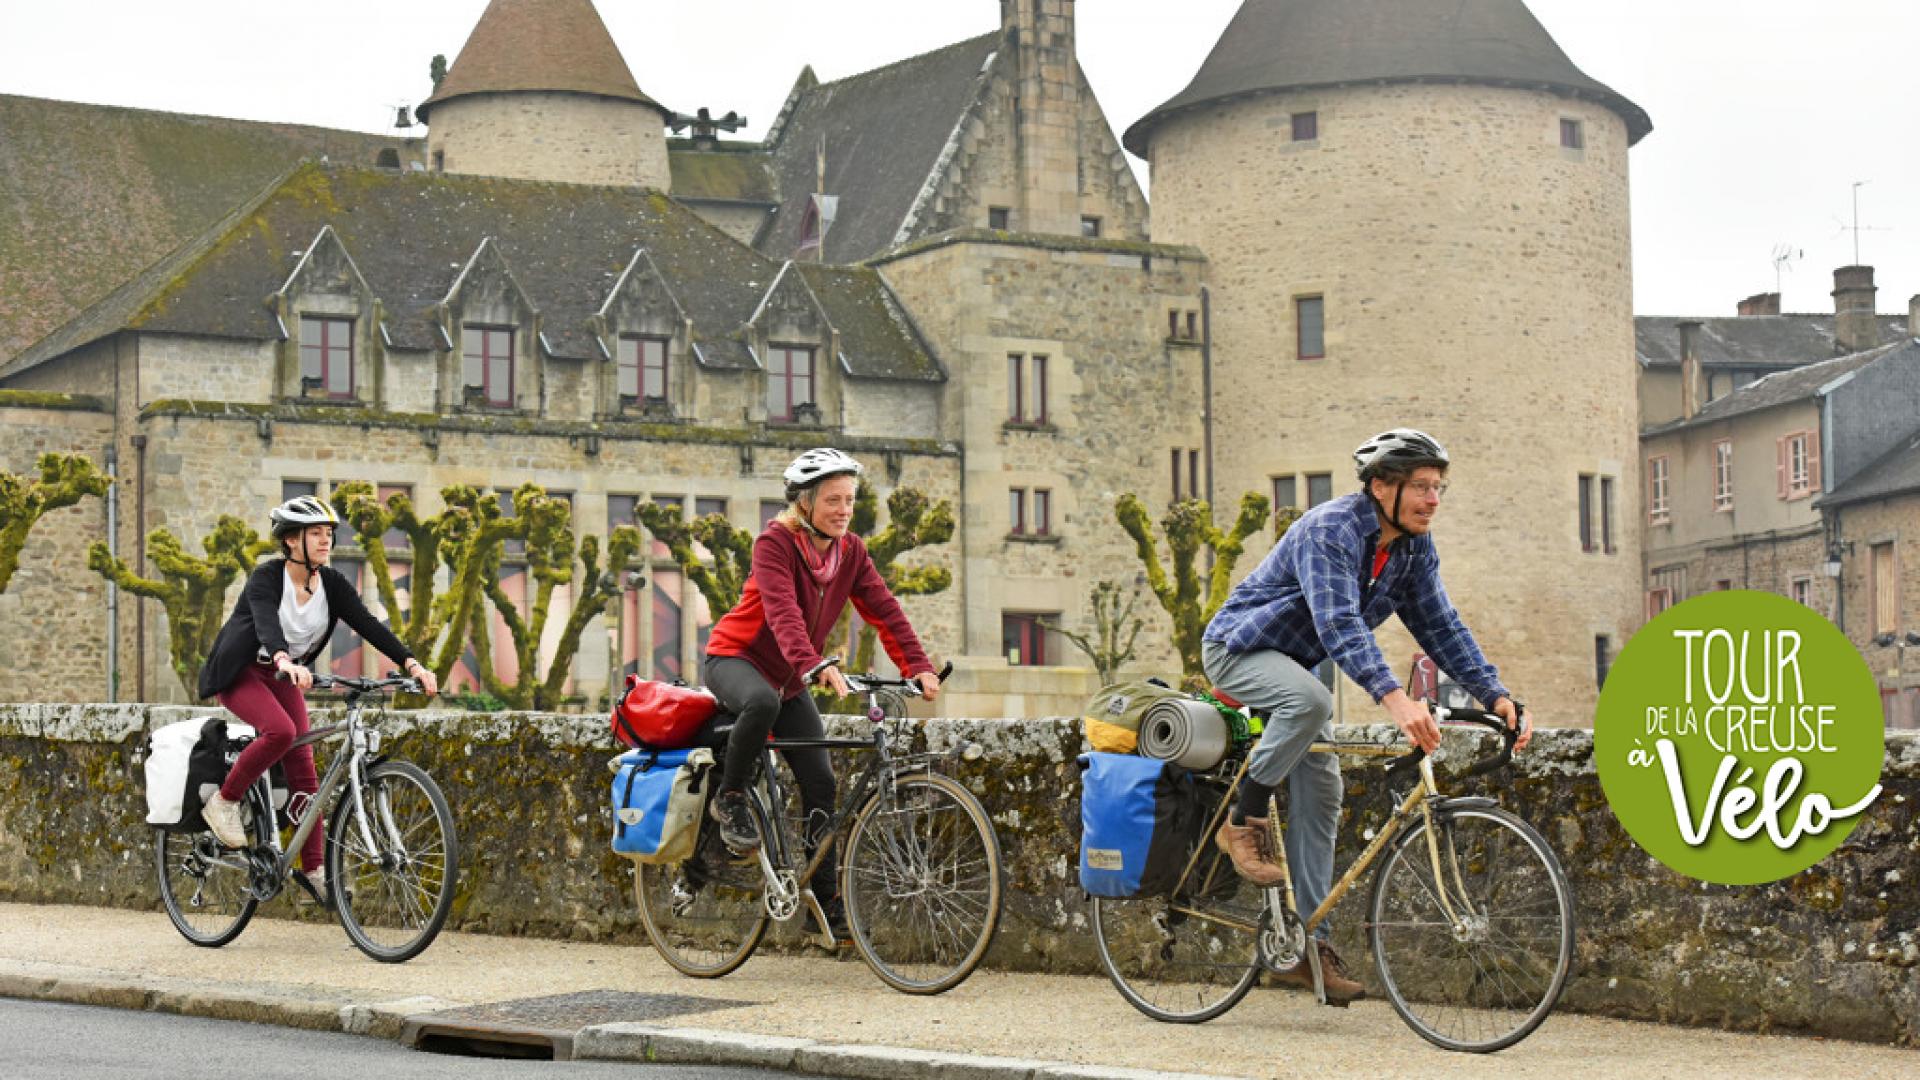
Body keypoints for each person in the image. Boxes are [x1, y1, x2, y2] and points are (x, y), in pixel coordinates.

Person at [1201, 428, 1532, 1003]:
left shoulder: (1412, 548)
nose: (1433, 500)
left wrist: (1495, 695)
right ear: (1381, 486)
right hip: (1239, 650)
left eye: (1439, 488)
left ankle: (1304, 946)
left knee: (1323, 792)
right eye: (1422, 487)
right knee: (1311, 701)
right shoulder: (1331, 530)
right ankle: (1242, 818)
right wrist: (1394, 698)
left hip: (1297, 666)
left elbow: (1441, 626)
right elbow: (1339, 625)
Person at [700, 448, 941, 942]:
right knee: (761, 702)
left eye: (850, 500)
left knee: (822, 783)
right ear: (804, 503)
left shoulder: (850, 551)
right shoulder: (775, 543)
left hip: (789, 677)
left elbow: (884, 609)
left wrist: (917, 666)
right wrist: (814, 663)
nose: (844, 509)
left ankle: (824, 902)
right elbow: (783, 611)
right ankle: (730, 798)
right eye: (833, 500)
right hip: (736, 660)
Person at [196, 495, 438, 905]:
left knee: (305, 767)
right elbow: (266, 622)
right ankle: (224, 801)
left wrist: (412, 664)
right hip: (243, 672)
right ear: (292, 540)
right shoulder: (267, 578)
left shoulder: (332, 584)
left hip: (285, 674)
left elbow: (368, 624)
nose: (326, 541)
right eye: (316, 534)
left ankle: (315, 871)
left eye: (328, 534)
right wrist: (283, 658)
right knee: (281, 732)